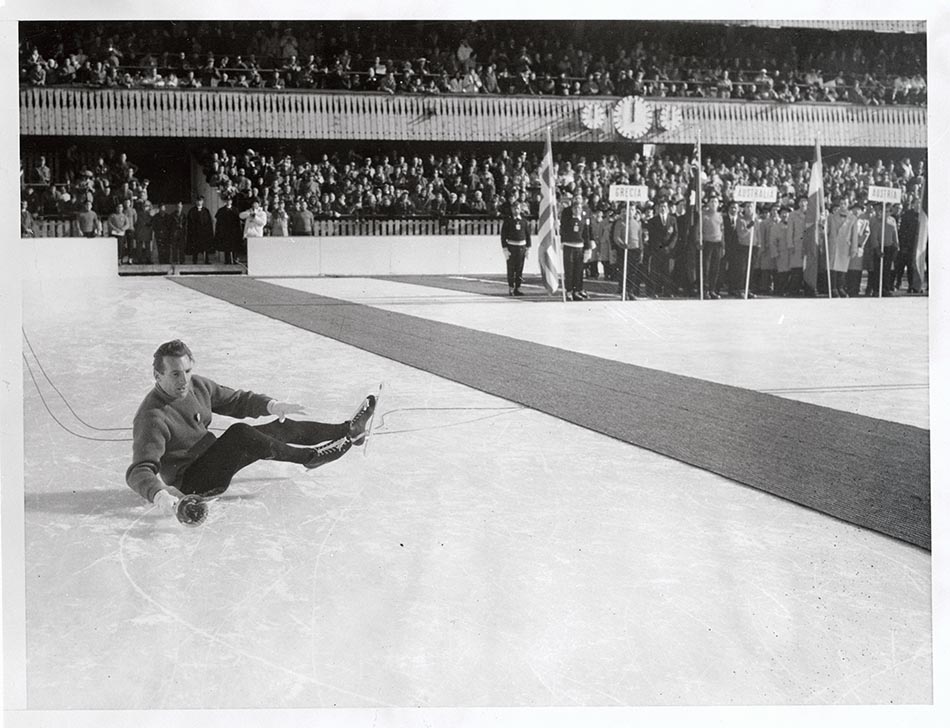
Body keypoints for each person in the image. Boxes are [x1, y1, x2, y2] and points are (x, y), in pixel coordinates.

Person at [126, 339, 378, 515]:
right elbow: (139, 470)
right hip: (193, 482)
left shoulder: (197, 386)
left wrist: (272, 405)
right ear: (157, 376)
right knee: (241, 434)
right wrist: (160, 494)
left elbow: (235, 400)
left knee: (278, 427)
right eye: (174, 374)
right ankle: (310, 458)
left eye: (187, 371)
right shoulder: (152, 416)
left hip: (214, 457)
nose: (184, 380)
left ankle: (348, 431)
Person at [559, 195, 592, 301]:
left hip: (580, 248)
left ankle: (577, 290)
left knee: (579, 271)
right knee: (569, 270)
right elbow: (563, 230)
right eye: (575, 208)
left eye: (579, 208)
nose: (577, 210)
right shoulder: (568, 220)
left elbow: (586, 235)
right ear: (572, 209)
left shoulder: (583, 221)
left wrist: (588, 248)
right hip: (569, 247)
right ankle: (569, 291)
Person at [645, 197, 678, 297]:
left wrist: (669, 247)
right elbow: (652, 236)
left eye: (664, 206)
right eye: (661, 207)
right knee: (655, 271)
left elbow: (675, 234)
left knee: (667, 271)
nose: (663, 208)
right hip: (657, 250)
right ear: (658, 208)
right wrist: (658, 247)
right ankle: (654, 291)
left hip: (668, 250)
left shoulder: (672, 219)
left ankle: (667, 291)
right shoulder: (652, 221)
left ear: (667, 208)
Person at [500, 199, 531, 296]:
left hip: (521, 248)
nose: (515, 210)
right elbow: (503, 235)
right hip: (511, 247)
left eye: (517, 208)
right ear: (511, 209)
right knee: (511, 269)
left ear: (520, 209)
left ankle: (518, 288)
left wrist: (528, 248)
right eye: (514, 208)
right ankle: (511, 288)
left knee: (519, 269)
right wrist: (505, 248)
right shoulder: (508, 220)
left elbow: (528, 235)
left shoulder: (524, 221)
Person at [185, 195, 215, 264]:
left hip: (204, 233)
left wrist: (207, 231)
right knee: (195, 247)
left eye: (200, 201)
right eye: (198, 201)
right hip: (195, 233)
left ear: (203, 202)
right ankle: (194, 260)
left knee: (205, 247)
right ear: (196, 202)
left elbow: (209, 222)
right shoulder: (192, 211)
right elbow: (190, 223)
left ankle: (206, 260)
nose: (199, 202)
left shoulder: (206, 211)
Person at [215, 197, 243, 264]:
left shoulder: (235, 210)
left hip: (233, 231)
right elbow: (218, 221)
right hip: (225, 231)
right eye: (227, 201)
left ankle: (234, 259)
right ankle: (227, 260)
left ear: (231, 201)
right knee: (226, 246)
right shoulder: (221, 210)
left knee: (234, 246)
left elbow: (238, 221)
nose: (228, 202)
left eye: (229, 201)